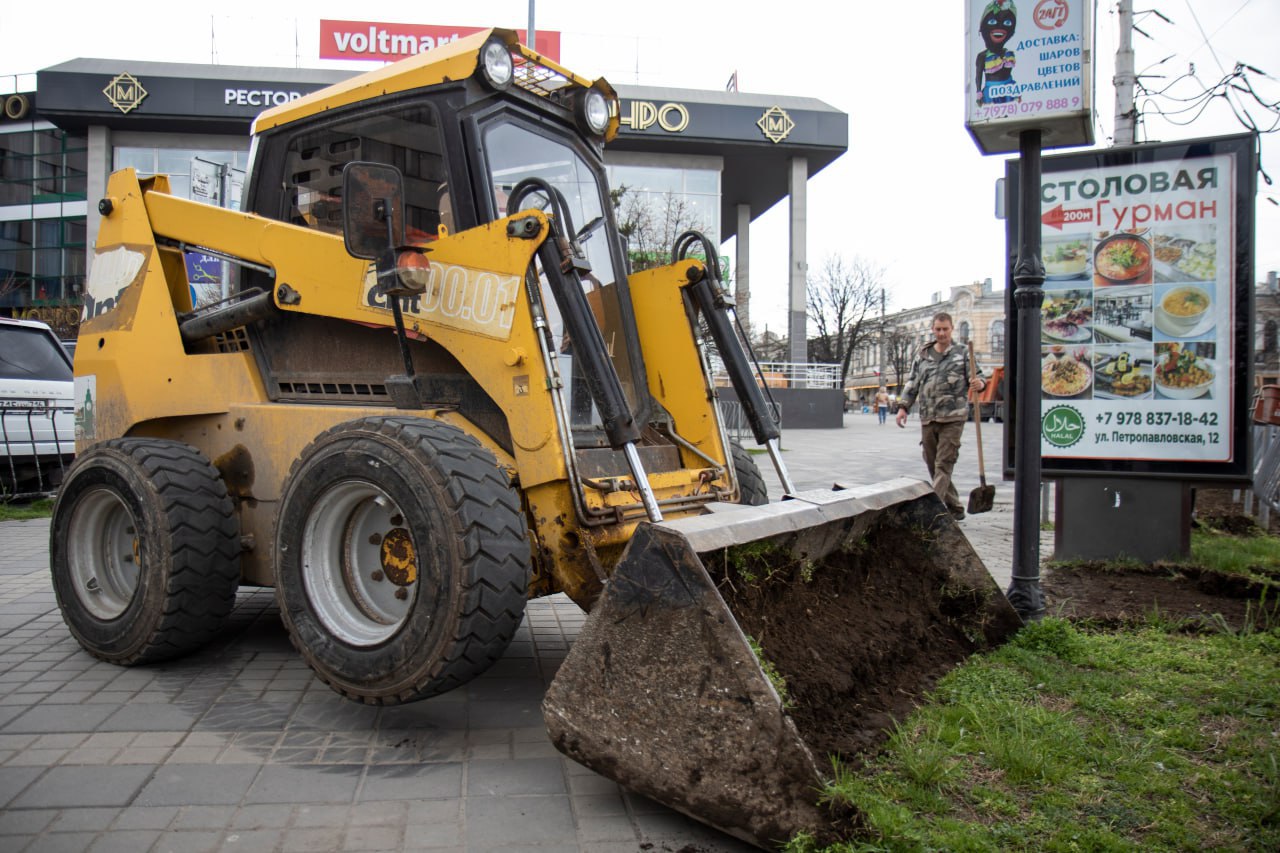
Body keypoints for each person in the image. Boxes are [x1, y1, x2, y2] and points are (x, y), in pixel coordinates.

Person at [895, 313, 986, 520]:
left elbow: (979, 377)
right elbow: (912, 383)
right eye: (938, 329)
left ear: (951, 329)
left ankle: (931, 511)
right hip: (928, 417)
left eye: (945, 329)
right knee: (931, 462)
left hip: (953, 417)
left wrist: (979, 384)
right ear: (933, 330)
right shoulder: (923, 356)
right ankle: (954, 507)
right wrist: (903, 408)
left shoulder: (963, 353)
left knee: (944, 463)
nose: (942, 333)